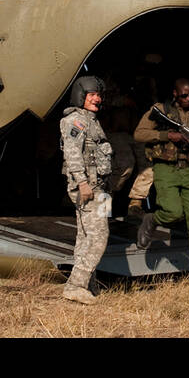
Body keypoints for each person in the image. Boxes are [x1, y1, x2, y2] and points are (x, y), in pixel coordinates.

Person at [133, 78, 189, 285]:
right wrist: (167, 135)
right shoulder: (159, 109)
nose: (188, 99)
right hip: (166, 168)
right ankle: (151, 219)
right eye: (184, 95)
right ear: (175, 93)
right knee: (172, 212)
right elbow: (139, 134)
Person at [60, 74, 114, 305]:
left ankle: (87, 284)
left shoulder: (91, 119)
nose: (96, 99)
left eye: (98, 95)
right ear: (81, 95)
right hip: (89, 187)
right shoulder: (75, 121)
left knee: (85, 236)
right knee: (99, 236)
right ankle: (76, 284)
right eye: (91, 95)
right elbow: (72, 153)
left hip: (99, 187)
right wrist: (82, 183)